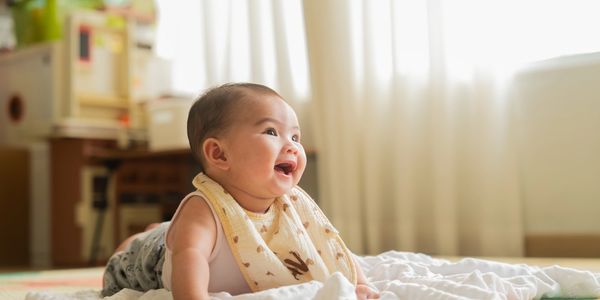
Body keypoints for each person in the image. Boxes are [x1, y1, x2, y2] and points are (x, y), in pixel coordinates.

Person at [102, 83, 379, 299]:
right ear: (219, 153)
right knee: (143, 249)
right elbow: (190, 256)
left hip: (185, 238)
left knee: (170, 230)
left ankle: (161, 228)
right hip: (156, 257)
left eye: (295, 136)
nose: (292, 146)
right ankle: (139, 239)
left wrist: (360, 284)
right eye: (272, 132)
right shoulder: (206, 207)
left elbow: (329, 243)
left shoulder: (293, 205)